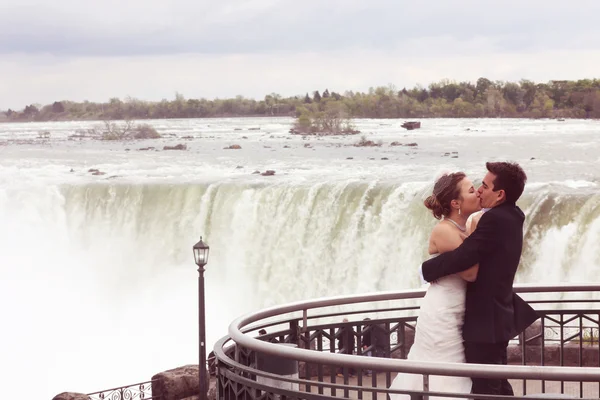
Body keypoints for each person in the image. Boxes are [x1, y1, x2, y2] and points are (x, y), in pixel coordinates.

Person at [420, 162, 539, 397]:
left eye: (484, 186)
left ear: (500, 194)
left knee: (487, 389)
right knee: (497, 385)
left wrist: (425, 270)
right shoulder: (513, 214)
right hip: (496, 318)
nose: (480, 190)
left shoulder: (494, 219)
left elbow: (466, 257)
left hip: (486, 323)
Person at [389, 171, 481, 399]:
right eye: (471, 190)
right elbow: (470, 273)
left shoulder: (462, 229)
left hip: (457, 310)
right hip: (442, 313)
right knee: (446, 372)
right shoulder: (444, 230)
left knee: (449, 373)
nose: (478, 192)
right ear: (455, 203)